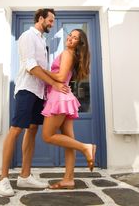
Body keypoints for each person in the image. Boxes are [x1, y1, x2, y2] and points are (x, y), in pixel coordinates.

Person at [0, 8, 69, 196]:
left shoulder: (42, 40)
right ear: (40, 18)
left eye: (53, 22)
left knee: (32, 130)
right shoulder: (28, 36)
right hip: (26, 90)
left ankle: (25, 176)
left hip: (39, 92)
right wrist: (54, 82)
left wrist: (51, 83)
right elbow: (31, 66)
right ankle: (3, 178)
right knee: (16, 130)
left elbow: (43, 69)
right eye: (50, 21)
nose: (52, 25)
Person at [41, 28, 97, 189]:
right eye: (70, 36)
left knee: (47, 135)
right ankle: (68, 179)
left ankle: (86, 147)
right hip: (63, 96)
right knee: (68, 142)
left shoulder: (67, 54)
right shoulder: (71, 55)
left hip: (59, 97)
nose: (70, 39)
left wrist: (40, 70)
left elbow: (59, 77)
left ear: (79, 43)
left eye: (75, 38)